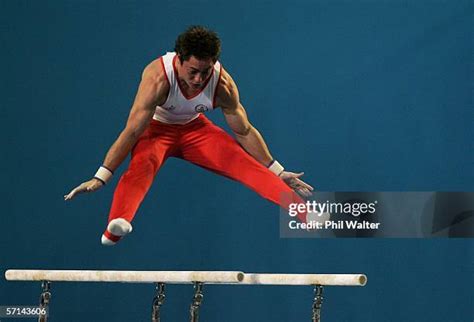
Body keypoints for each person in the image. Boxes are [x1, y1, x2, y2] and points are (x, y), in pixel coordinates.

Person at [64, 26, 313, 245]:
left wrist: (278, 171)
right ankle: (116, 227)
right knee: (143, 165)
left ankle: (302, 210)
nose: (198, 79)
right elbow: (132, 131)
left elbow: (244, 130)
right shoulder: (158, 78)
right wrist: (101, 176)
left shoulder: (222, 85)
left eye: (205, 72)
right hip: (155, 131)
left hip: (196, 131)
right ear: (179, 60)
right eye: (193, 71)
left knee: (244, 164)